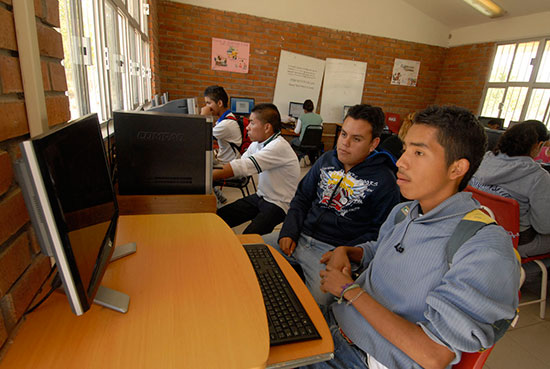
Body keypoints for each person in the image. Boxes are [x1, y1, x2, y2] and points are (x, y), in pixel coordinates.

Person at [303, 105, 520, 369]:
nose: (401, 162)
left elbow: (434, 355)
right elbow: (382, 249)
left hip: (365, 358)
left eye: (418, 152)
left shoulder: (482, 246)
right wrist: (349, 251)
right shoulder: (405, 211)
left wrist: (350, 290)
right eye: (405, 149)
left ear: (456, 169)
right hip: (337, 326)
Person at [263, 104, 400, 305]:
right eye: (343, 134)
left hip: (331, 251)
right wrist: (289, 230)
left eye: (357, 139)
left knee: (319, 303)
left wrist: (344, 251)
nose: (345, 143)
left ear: (373, 143)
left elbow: (380, 233)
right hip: (299, 236)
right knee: (249, 251)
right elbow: (302, 197)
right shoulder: (327, 159)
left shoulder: (385, 181)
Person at [214, 103, 300, 234]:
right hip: (262, 196)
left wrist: (208, 175)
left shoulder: (278, 146)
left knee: (248, 238)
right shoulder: (257, 144)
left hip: (279, 204)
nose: (247, 127)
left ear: (267, 127)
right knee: (219, 217)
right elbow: (239, 163)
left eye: (252, 123)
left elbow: (243, 167)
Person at [470, 119, 550, 257]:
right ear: (538, 145)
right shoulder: (538, 176)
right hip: (515, 242)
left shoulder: (484, 159)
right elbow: (544, 227)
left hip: (476, 230)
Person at [201, 85, 242, 164]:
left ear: (219, 103)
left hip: (228, 167)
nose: (206, 107)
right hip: (225, 161)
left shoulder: (226, 124)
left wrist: (203, 117)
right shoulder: (225, 119)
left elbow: (201, 138)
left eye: (208, 103)